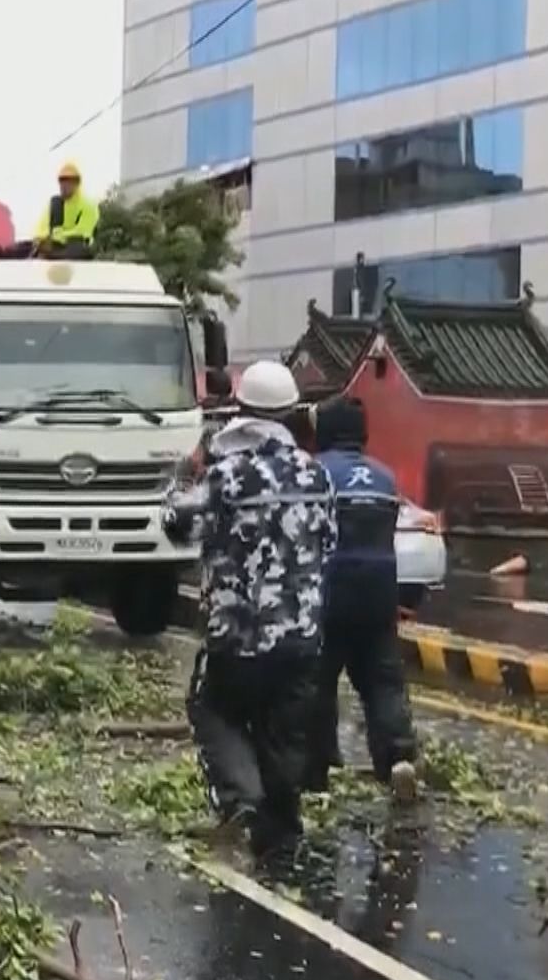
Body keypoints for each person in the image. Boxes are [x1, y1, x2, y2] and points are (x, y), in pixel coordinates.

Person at [161, 360, 336, 859]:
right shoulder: (316, 473)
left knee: (212, 708)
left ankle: (241, 798)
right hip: (301, 636)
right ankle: (281, 832)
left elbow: (176, 523)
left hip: (237, 635)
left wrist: (183, 472)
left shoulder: (226, 476)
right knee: (284, 730)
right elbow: (330, 541)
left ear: (240, 410)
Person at [307, 396, 420, 801]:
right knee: (383, 680)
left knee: (318, 682)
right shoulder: (385, 479)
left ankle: (316, 770)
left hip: (329, 592)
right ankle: (398, 758)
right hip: (378, 593)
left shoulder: (314, 474)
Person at [32, 162, 99, 258]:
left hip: (76, 246)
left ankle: (51, 256)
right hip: (54, 246)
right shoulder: (55, 204)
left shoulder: (88, 205)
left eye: (68, 181)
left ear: (77, 183)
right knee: (20, 248)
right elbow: (41, 227)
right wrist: (40, 240)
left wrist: (57, 237)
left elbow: (83, 232)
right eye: (61, 181)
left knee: (78, 247)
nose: (64, 185)